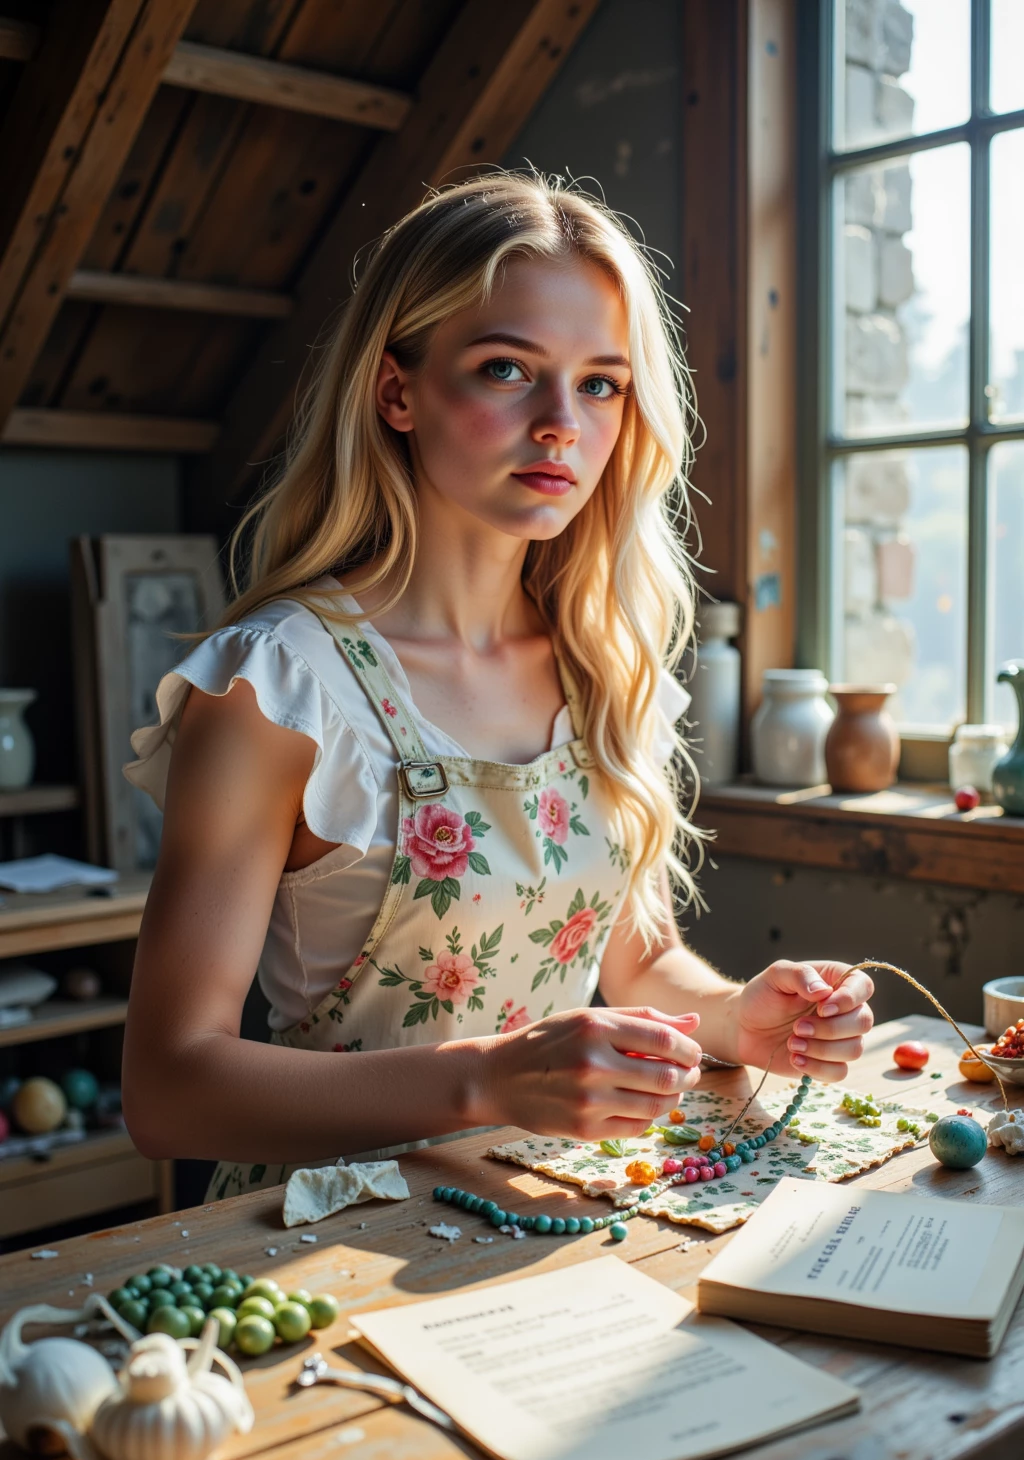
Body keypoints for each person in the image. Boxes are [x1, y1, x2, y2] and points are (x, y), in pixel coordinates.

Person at [121, 172, 873, 1198]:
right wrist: (487, 1081)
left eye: (602, 382)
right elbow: (169, 1090)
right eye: (508, 368)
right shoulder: (278, 687)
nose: (563, 421)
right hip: (324, 1237)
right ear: (397, 391)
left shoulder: (607, 668)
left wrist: (738, 1016)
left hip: (555, 1214)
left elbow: (638, 964)